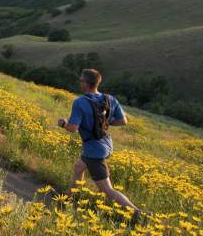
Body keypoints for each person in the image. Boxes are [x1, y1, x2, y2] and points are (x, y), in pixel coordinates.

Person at [57, 69, 141, 218]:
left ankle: (137, 213)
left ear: (85, 83)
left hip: (94, 150)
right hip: (106, 144)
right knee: (78, 168)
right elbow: (123, 121)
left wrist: (63, 123)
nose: (80, 82)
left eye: (81, 80)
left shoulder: (80, 102)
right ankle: (69, 199)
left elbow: (73, 128)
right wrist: (105, 123)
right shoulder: (110, 99)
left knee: (107, 190)